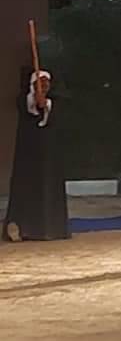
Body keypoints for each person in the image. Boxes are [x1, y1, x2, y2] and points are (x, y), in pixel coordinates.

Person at [2, 69, 69, 242]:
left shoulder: (57, 102)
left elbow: (55, 113)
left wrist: (46, 104)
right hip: (29, 154)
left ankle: (52, 229)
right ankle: (23, 228)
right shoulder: (24, 100)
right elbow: (26, 107)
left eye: (46, 84)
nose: (44, 86)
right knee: (26, 187)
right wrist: (35, 101)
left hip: (50, 156)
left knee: (49, 188)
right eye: (40, 84)